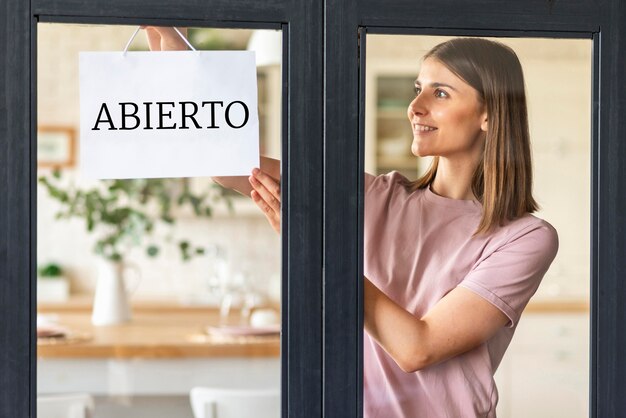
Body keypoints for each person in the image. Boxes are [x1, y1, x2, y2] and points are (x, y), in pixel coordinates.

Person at [145, 28, 558, 417]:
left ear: (489, 114)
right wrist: (167, 36)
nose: (415, 107)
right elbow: (225, 164)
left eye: (441, 93)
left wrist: (317, 249)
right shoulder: (374, 195)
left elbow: (418, 348)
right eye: (418, 90)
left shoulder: (523, 239)